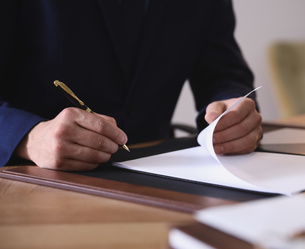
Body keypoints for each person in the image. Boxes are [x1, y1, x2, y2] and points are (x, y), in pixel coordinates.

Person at [0, 0, 262, 171]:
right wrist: (29, 137)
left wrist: (232, 109)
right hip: (30, 180)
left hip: (163, 176)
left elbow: (223, 72)